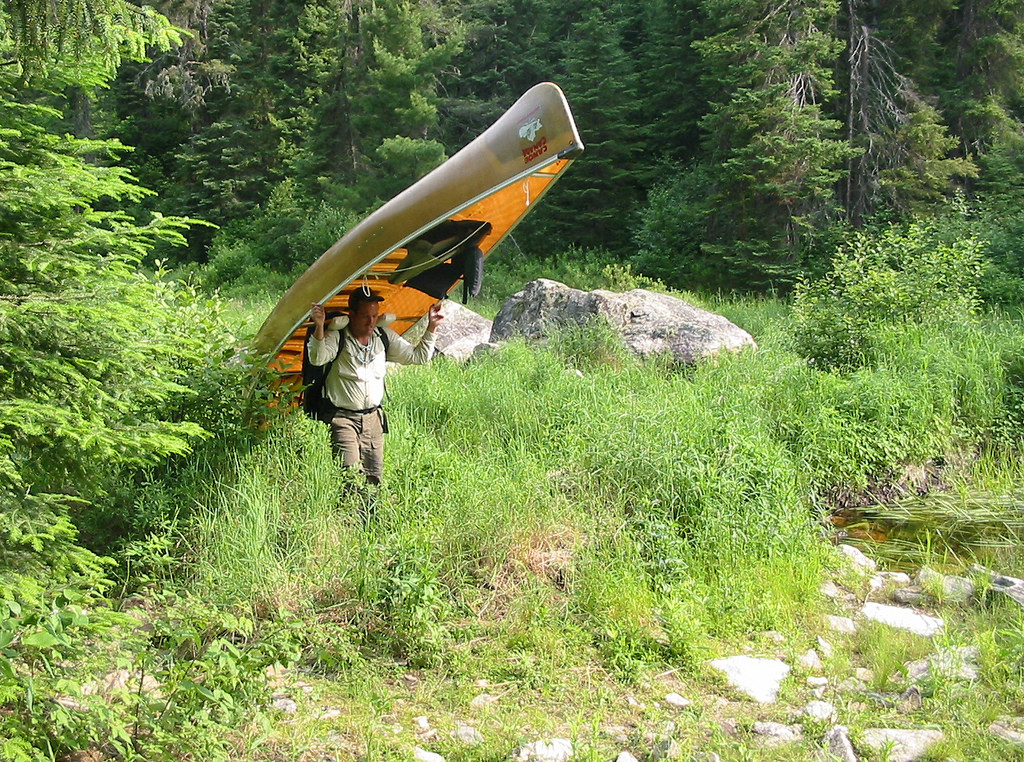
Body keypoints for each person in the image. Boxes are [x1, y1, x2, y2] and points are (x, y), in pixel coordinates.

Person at [308, 287, 444, 484]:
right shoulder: (338, 337)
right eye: (365, 316)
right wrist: (319, 326)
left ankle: (371, 515)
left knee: (374, 479)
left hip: (373, 419)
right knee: (350, 477)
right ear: (352, 315)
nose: (371, 321)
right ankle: (348, 513)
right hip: (343, 419)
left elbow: (419, 357)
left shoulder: (383, 337)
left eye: (374, 315)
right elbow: (317, 357)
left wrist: (432, 327)